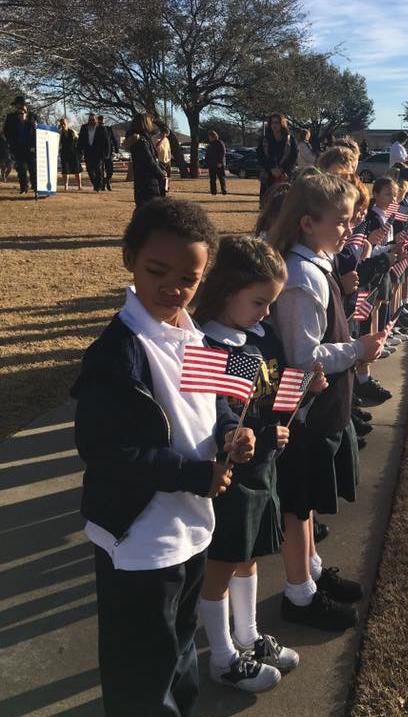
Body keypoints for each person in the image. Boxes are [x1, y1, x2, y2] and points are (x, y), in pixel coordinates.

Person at [70, 198, 256, 716]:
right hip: (138, 538)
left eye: (189, 279)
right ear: (130, 258)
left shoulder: (192, 333)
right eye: (157, 271)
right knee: (141, 673)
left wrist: (228, 438)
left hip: (191, 528)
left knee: (178, 653)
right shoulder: (117, 352)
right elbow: (108, 452)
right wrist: (195, 474)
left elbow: (213, 405)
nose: (173, 288)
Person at [193, 235, 328, 691]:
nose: (267, 313)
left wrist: (303, 392)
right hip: (230, 477)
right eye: (259, 302)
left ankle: (248, 636)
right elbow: (217, 411)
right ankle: (222, 656)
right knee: (222, 563)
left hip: (262, 469)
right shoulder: (210, 346)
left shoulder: (258, 336)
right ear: (226, 291)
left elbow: (271, 395)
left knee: (249, 556)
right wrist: (237, 434)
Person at [268, 174, 386, 630]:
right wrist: (358, 351)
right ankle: (298, 595)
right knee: (298, 506)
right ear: (306, 223)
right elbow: (303, 356)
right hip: (305, 413)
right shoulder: (300, 278)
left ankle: (313, 572)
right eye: (339, 222)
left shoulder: (317, 263)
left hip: (324, 408)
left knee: (310, 499)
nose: (348, 229)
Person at [124, 112, 167, 208]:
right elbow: (149, 161)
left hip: (142, 181)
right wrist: (161, 174)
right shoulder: (141, 141)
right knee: (149, 209)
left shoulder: (145, 139)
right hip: (148, 182)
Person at [257, 113, 298, 197]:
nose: (274, 125)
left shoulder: (290, 139)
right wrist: (271, 169)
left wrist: (283, 170)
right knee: (267, 204)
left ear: (282, 123)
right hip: (268, 177)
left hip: (285, 176)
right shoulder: (265, 139)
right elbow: (260, 156)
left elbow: (294, 156)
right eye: (272, 123)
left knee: (284, 204)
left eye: (277, 122)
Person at [3, 96, 37, 194]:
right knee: (21, 169)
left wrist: (33, 124)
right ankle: (24, 188)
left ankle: (35, 187)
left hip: (31, 148)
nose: (18, 107)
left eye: (19, 105)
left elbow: (40, 129)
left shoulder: (33, 116)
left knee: (33, 169)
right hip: (18, 147)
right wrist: (11, 143)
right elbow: (6, 131)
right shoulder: (11, 117)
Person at [78, 112, 109, 191]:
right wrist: (80, 151)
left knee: (98, 169)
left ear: (96, 120)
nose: (92, 121)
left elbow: (106, 141)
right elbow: (80, 140)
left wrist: (106, 153)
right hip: (88, 152)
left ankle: (98, 186)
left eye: (93, 120)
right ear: (88, 120)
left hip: (98, 152)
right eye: (90, 120)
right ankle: (95, 183)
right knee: (89, 169)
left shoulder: (102, 128)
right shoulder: (84, 127)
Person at [58, 118, 82, 191]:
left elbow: (79, 141)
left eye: (64, 123)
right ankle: (66, 186)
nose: (62, 125)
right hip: (64, 154)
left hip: (74, 154)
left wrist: (80, 153)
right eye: (61, 124)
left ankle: (79, 186)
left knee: (77, 171)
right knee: (65, 171)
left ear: (67, 124)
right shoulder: (59, 134)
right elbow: (58, 144)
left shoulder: (73, 132)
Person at [97, 115, 119, 190]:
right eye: (100, 119)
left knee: (110, 170)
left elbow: (113, 139)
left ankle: (107, 181)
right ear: (98, 120)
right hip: (99, 153)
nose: (102, 121)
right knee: (101, 170)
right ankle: (103, 185)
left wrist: (117, 150)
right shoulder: (96, 129)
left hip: (108, 152)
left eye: (103, 119)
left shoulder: (108, 129)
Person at [206, 130, 227, 196]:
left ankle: (224, 191)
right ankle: (213, 192)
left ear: (214, 136)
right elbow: (208, 154)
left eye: (210, 136)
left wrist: (220, 162)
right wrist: (207, 162)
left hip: (219, 164)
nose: (209, 138)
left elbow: (223, 153)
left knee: (221, 178)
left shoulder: (220, 143)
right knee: (212, 179)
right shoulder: (210, 145)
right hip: (211, 164)